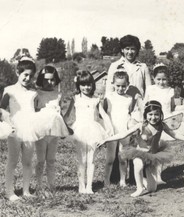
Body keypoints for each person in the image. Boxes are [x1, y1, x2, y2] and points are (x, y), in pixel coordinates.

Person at [100, 101, 184, 197]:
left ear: (160, 115)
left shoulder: (162, 126)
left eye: (156, 114)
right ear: (145, 115)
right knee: (138, 165)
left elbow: (174, 134)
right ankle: (139, 188)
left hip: (153, 156)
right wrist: (107, 140)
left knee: (152, 189)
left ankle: (144, 181)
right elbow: (123, 134)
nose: (153, 117)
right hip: (140, 153)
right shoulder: (140, 126)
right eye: (150, 114)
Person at [64, 70, 113, 194]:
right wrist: (62, 127)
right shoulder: (75, 99)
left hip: (93, 131)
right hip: (79, 130)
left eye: (89, 84)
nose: (86, 87)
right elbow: (67, 115)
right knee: (82, 160)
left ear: (92, 85)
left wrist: (110, 129)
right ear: (78, 86)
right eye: (83, 85)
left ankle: (89, 186)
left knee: (91, 160)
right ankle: (81, 186)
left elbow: (104, 115)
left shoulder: (95, 100)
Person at [0, 57, 39, 201]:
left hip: (29, 128)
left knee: (28, 161)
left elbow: (36, 110)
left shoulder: (33, 93)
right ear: (18, 72)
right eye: (25, 74)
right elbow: (2, 109)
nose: (28, 78)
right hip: (15, 128)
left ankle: (26, 190)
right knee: (12, 160)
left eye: (30, 75)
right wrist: (8, 123)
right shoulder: (9, 90)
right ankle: (9, 192)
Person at [144, 63, 184, 184]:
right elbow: (145, 105)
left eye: (164, 79)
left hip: (164, 121)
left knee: (160, 149)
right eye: (158, 79)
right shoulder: (150, 89)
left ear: (168, 79)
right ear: (154, 78)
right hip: (151, 120)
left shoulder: (170, 90)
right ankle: (148, 175)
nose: (161, 82)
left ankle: (158, 176)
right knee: (150, 149)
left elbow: (172, 107)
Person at [34, 65, 71, 193]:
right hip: (41, 132)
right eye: (46, 79)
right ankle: (39, 186)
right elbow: (33, 112)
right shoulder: (37, 94)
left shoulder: (58, 95)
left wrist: (65, 128)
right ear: (41, 80)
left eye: (52, 80)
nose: (49, 82)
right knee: (40, 160)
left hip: (54, 132)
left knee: (51, 159)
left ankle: (51, 185)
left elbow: (59, 114)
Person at [104, 68, 143, 187]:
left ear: (127, 85)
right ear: (113, 84)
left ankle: (122, 180)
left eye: (123, 86)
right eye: (118, 86)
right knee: (110, 158)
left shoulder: (129, 99)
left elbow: (129, 114)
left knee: (123, 157)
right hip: (113, 131)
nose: (120, 89)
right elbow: (105, 114)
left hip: (124, 131)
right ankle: (106, 181)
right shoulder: (109, 97)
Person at [106, 34, 152, 100]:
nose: (130, 52)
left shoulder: (143, 67)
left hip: (138, 105)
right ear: (122, 50)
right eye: (127, 49)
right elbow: (109, 90)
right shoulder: (114, 66)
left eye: (133, 49)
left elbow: (149, 90)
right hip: (120, 104)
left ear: (137, 50)